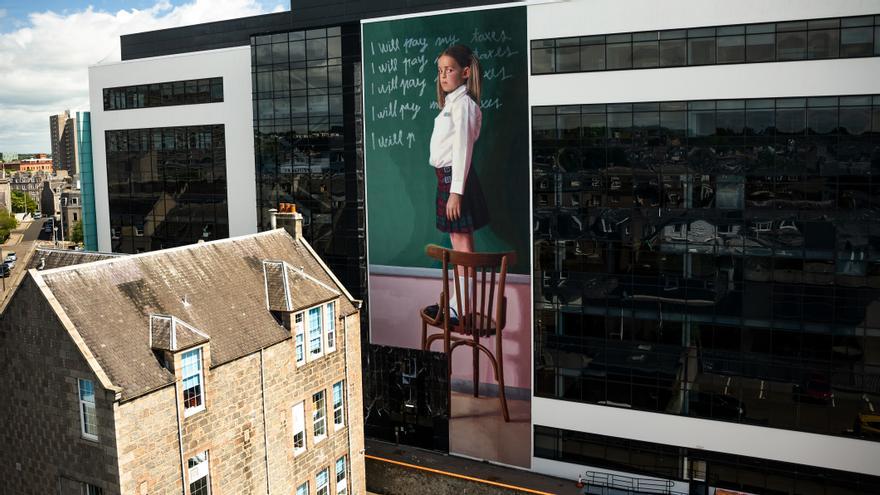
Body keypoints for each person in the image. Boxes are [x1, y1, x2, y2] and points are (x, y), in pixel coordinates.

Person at [429, 44, 488, 253]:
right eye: (440, 71)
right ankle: (461, 287)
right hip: (446, 178)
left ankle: (464, 287)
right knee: (458, 242)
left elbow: (463, 149)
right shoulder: (451, 104)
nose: (443, 76)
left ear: (465, 72)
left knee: (462, 247)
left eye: (449, 70)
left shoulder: (463, 105)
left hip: (454, 180)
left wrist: (456, 193)